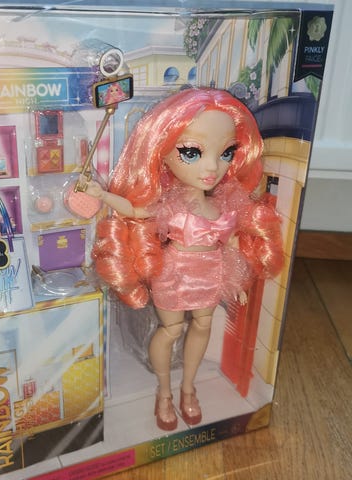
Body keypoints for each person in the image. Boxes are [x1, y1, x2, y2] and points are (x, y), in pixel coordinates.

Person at [82, 87, 284, 431]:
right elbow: (135, 210)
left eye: (226, 152)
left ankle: (188, 388)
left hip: (212, 272)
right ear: (162, 152)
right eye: (192, 152)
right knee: (171, 329)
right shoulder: (170, 202)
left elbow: (232, 241)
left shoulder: (227, 201)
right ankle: (164, 392)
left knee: (203, 324)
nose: (212, 167)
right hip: (175, 274)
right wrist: (102, 194)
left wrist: (240, 280)